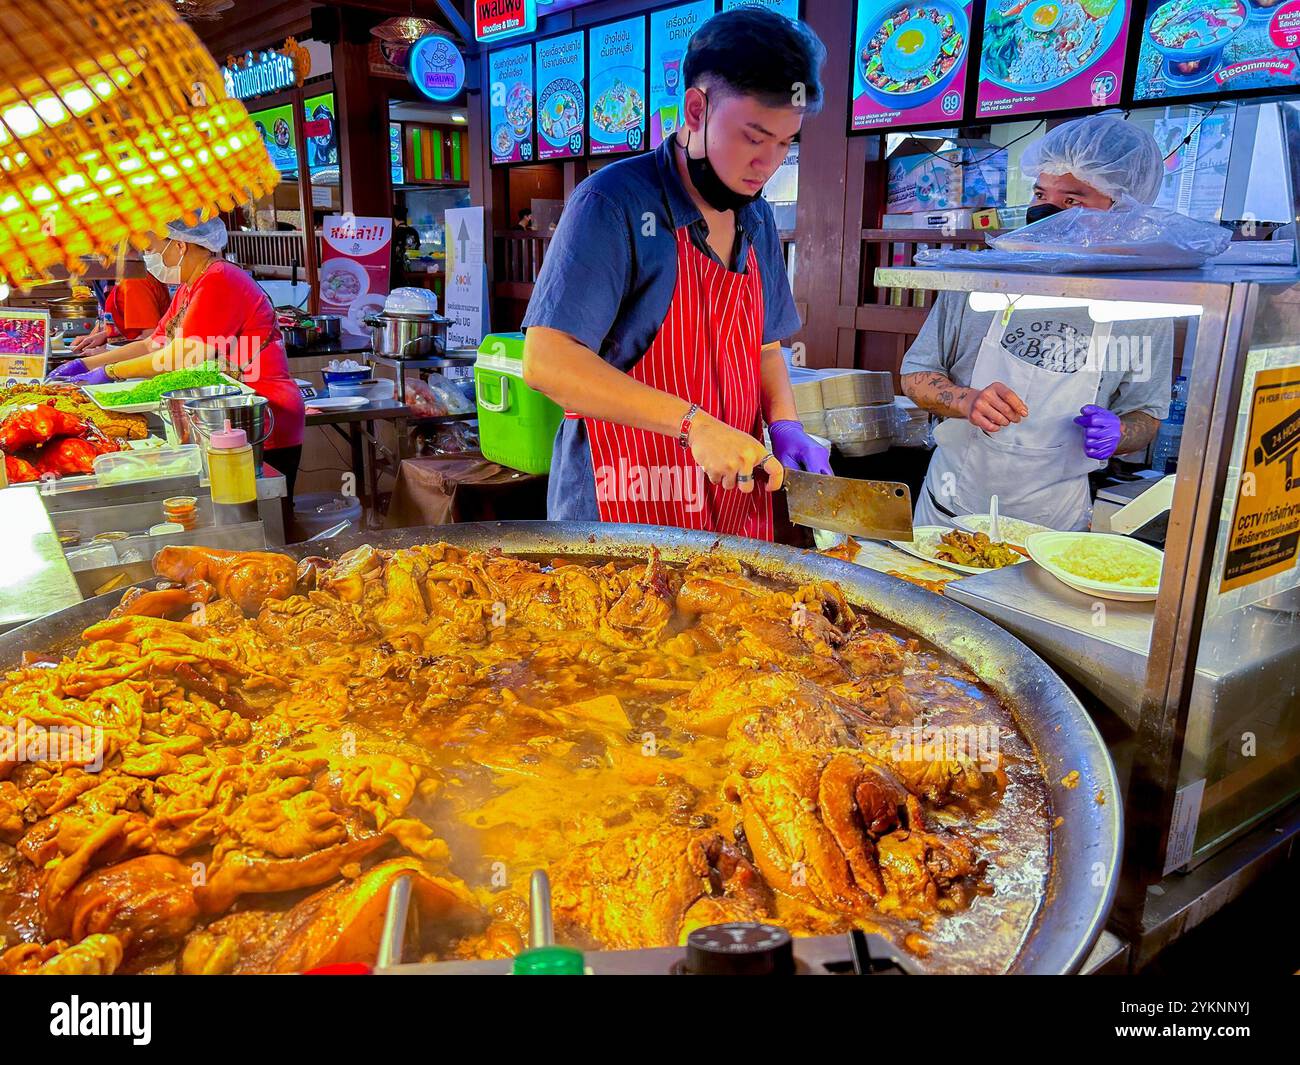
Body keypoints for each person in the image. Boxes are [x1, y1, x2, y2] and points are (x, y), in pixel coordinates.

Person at [520, 7, 830, 539]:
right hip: (624, 502)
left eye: (785, 143)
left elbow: (764, 347)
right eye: (754, 138)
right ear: (695, 108)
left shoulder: (755, 216)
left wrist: (784, 422)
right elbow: (547, 362)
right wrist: (694, 424)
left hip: (733, 503)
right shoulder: (612, 202)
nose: (768, 164)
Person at [900, 115, 1173, 531]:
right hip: (949, 511)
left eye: (1072, 201)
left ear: (1124, 210)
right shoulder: (982, 282)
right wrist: (964, 400)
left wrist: (1120, 432)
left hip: (1053, 530)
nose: (1045, 211)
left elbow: (1146, 416)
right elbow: (914, 375)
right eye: (1041, 193)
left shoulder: (1141, 304)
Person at [52, 216, 307, 496]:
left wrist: (110, 372)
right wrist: (82, 365)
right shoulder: (191, 286)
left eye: (152, 248)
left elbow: (181, 356)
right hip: (221, 418)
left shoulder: (220, 279)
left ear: (180, 245)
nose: (149, 257)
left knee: (264, 512)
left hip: (259, 416)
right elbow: (154, 344)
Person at [69, 276, 172, 355]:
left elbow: (151, 339)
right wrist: (105, 335)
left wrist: (108, 353)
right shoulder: (122, 284)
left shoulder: (134, 282)